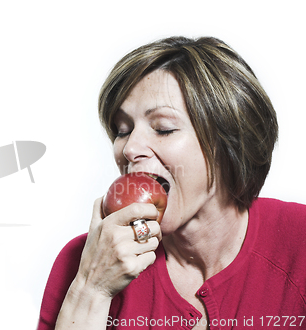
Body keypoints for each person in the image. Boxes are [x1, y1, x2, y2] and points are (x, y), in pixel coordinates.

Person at [37, 36, 306, 329]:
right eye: (122, 130)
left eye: (163, 129)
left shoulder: (298, 240)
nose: (129, 149)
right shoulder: (81, 263)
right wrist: (91, 288)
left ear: (228, 143)